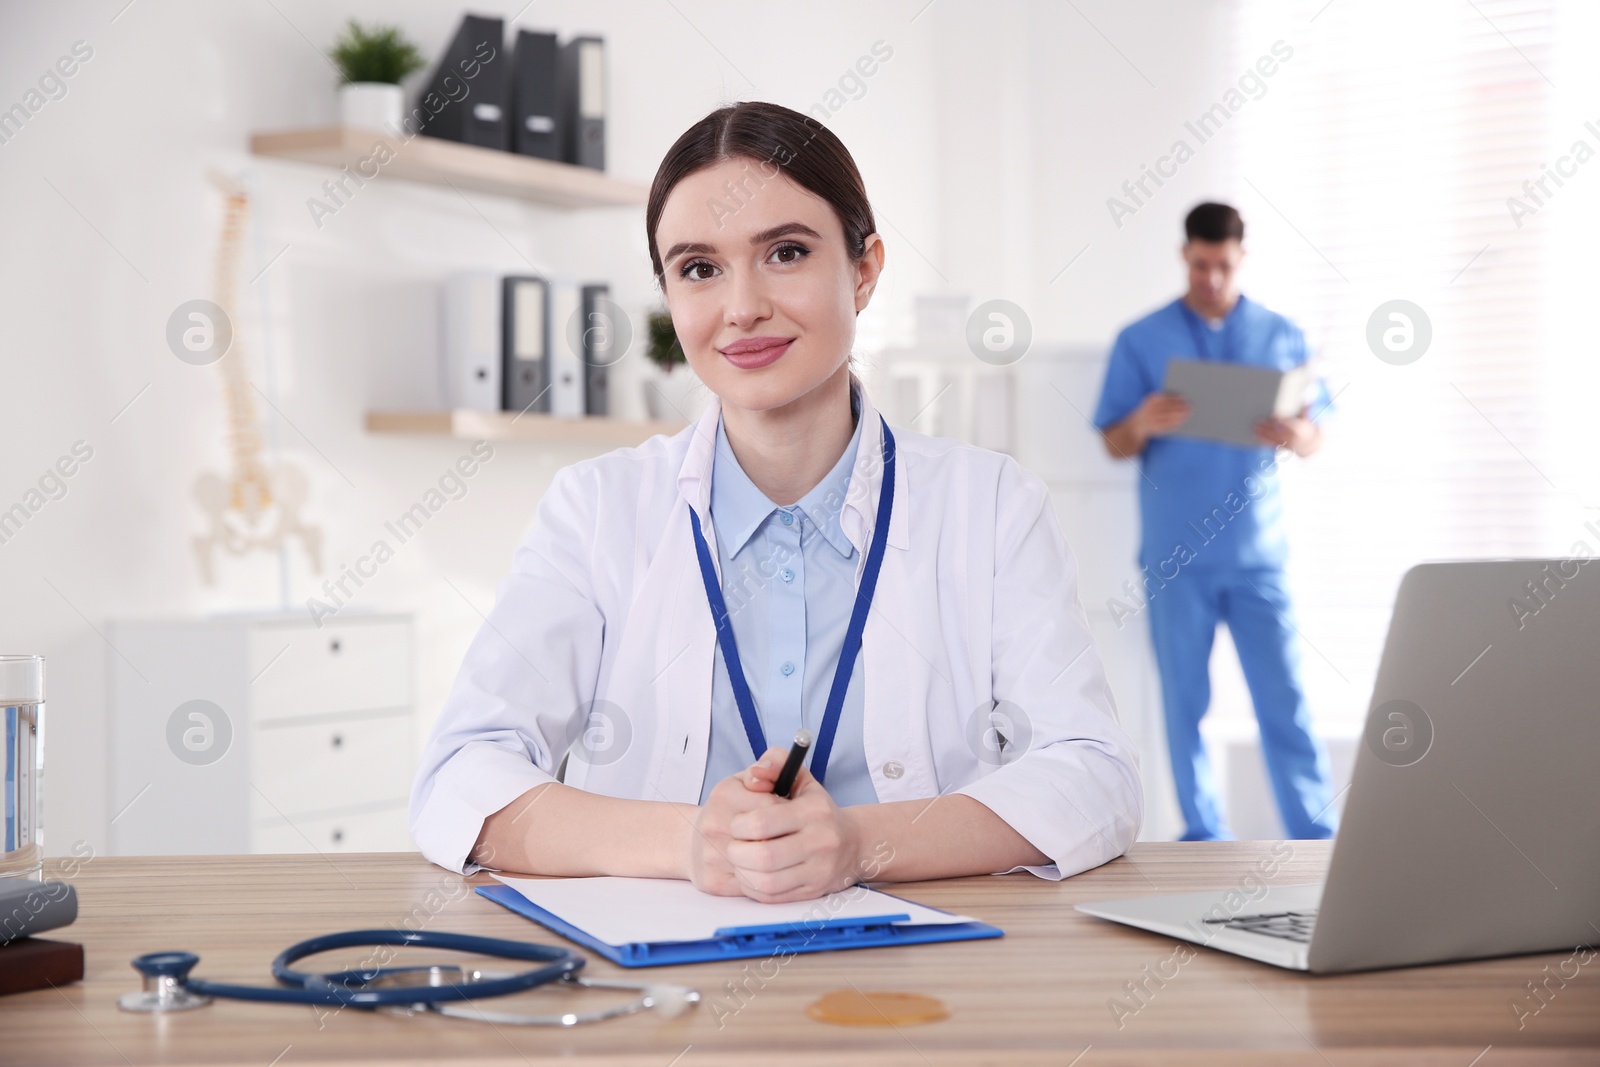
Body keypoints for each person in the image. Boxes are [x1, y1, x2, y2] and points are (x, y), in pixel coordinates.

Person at [409, 101, 1142, 903]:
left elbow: (1095, 775)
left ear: (863, 271)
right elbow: (459, 776)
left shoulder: (991, 506)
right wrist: (694, 842)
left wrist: (860, 843)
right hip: (664, 985)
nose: (742, 306)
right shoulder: (595, 510)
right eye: (698, 268)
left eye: (785, 252)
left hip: (928, 981)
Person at [1092, 202, 1336, 842]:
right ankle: (1204, 838)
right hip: (1177, 559)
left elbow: (1317, 437)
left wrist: (1297, 432)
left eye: (1223, 266)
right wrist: (1142, 422)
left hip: (1258, 556)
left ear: (1241, 259)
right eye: (1201, 265)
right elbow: (1114, 441)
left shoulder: (1283, 336)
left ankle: (1316, 840)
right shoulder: (1140, 340)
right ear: (1185, 256)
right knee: (1185, 708)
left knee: (1285, 704)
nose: (1211, 279)